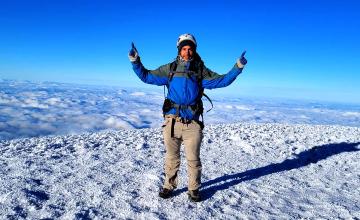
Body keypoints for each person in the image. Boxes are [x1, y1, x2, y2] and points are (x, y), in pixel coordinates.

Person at [128, 33, 247, 202]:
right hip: (172, 122)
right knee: (171, 157)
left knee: (193, 159)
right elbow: (146, 76)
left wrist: (237, 67)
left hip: (192, 124)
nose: (187, 52)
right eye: (184, 49)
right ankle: (169, 186)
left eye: (190, 49)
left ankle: (193, 189)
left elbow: (222, 81)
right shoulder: (170, 69)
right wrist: (135, 62)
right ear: (179, 50)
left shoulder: (200, 70)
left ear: (194, 50)